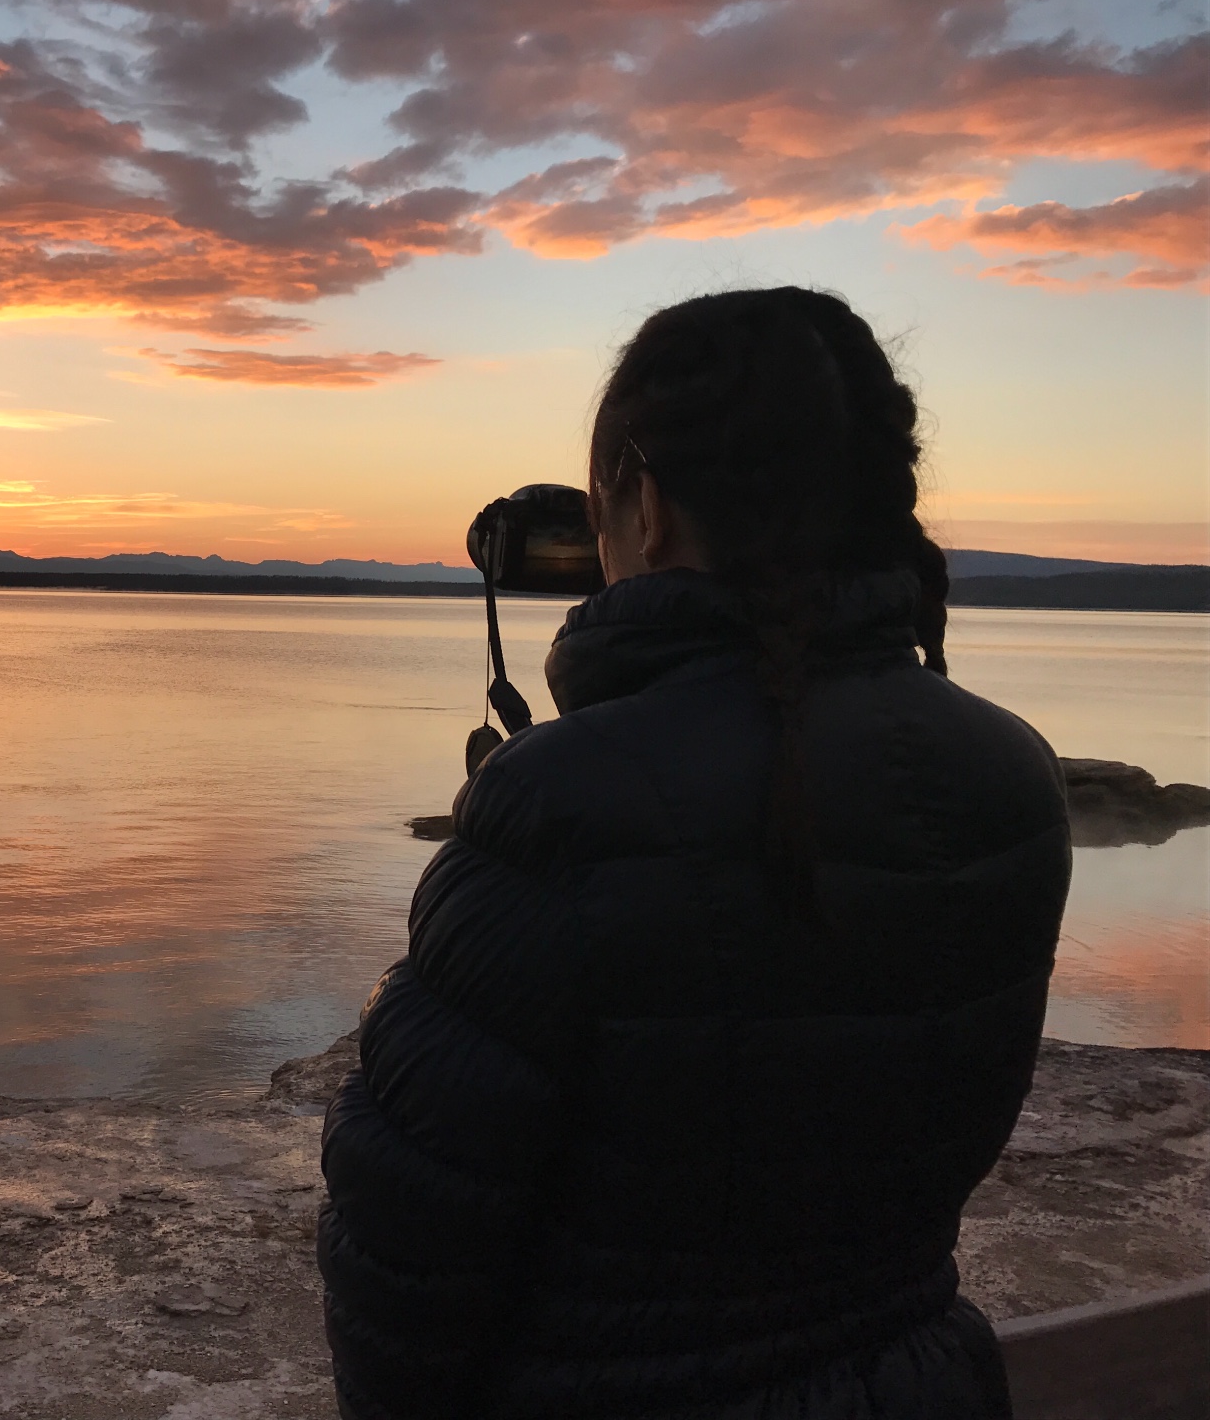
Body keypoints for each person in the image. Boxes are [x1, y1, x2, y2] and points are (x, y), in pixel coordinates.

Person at [317, 287, 1071, 1419]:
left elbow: (405, 1234)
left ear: (646, 506)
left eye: (602, 505)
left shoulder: (563, 803)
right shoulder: (1010, 771)